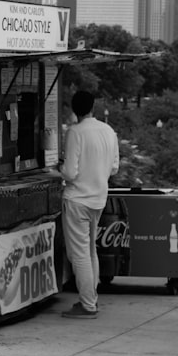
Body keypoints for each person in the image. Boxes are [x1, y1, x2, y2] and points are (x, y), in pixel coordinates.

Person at [59, 90, 120, 319]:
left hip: (77, 199)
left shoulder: (75, 132)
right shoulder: (108, 131)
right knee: (91, 250)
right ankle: (91, 297)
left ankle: (87, 305)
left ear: (74, 110)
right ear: (93, 106)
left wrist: (59, 170)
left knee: (79, 254)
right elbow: (114, 168)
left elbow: (70, 172)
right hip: (98, 199)